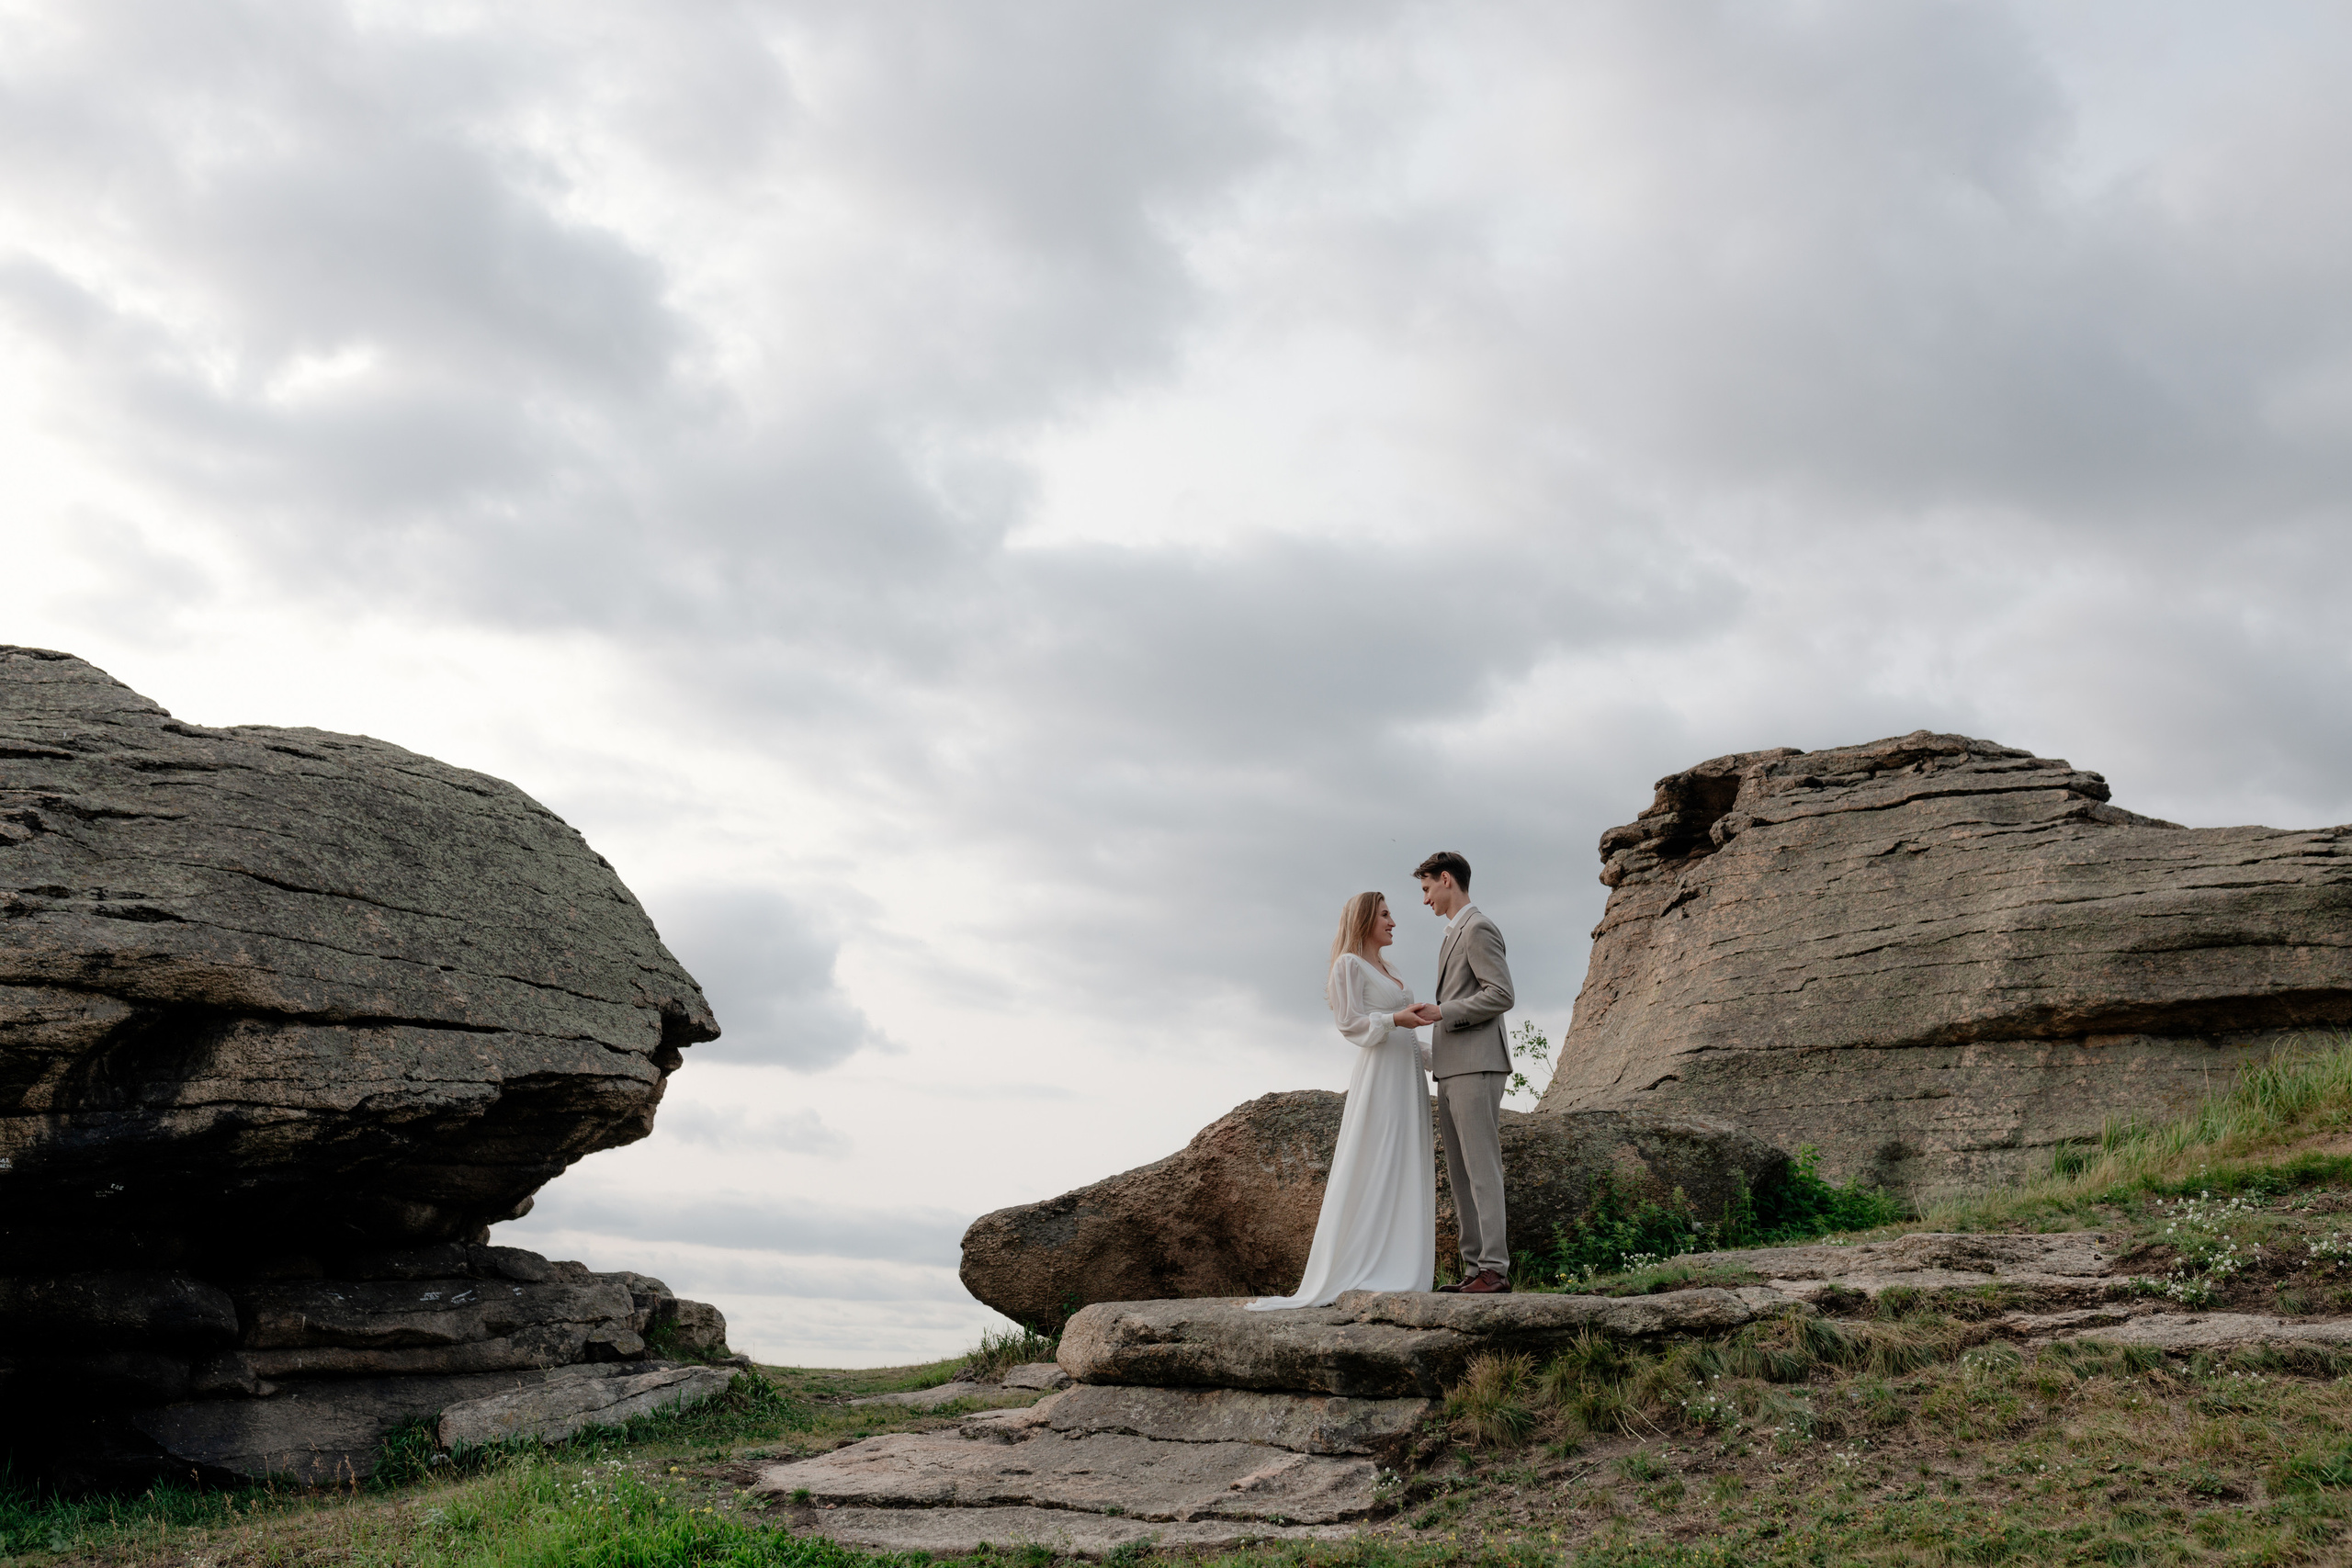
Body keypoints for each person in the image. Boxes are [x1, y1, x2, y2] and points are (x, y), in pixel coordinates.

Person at [1247, 891, 1439, 1309]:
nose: (1393, 922)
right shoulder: (1348, 965)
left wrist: (1442, 1059)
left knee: (1407, 1160)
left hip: (1407, 1080)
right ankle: (1370, 1264)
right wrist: (1394, 1018)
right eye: (1386, 915)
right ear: (1366, 919)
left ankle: (1401, 1261)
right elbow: (1350, 1024)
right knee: (1378, 1161)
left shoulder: (1390, 969)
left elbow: (1405, 1036)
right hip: (1381, 1081)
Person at [1416, 850, 1516, 1294]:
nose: (1424, 900)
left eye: (1426, 889)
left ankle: (1495, 1269)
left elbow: (1501, 994)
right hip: (1452, 1069)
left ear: (1446, 879)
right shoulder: (1452, 934)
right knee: (1460, 1175)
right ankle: (1475, 1270)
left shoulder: (1478, 928)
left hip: (1478, 1065)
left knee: (1481, 1170)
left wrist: (1443, 1012)